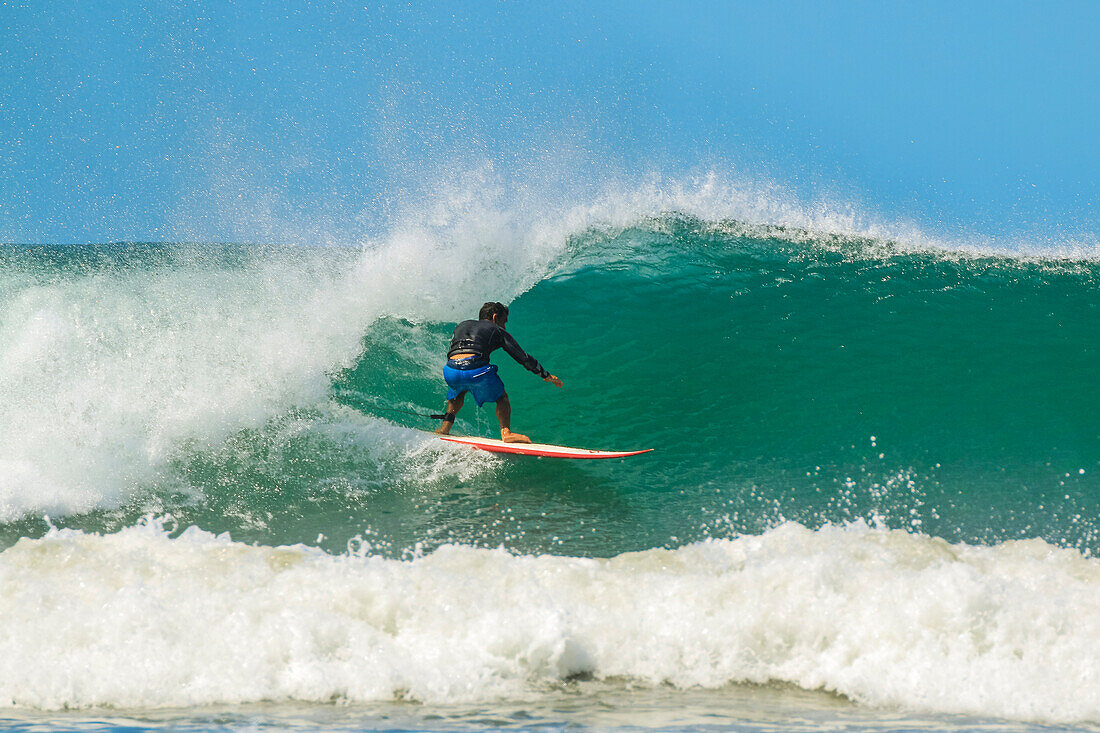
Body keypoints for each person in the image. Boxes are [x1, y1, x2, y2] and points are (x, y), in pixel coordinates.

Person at [435, 302, 563, 443]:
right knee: (502, 398)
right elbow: (523, 357)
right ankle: (506, 433)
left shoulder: (461, 325)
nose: (505, 327)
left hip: (450, 370)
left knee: (457, 394)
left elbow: (454, 351)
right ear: (495, 317)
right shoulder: (496, 329)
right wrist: (545, 375)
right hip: (475, 369)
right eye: (504, 322)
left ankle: (444, 428)